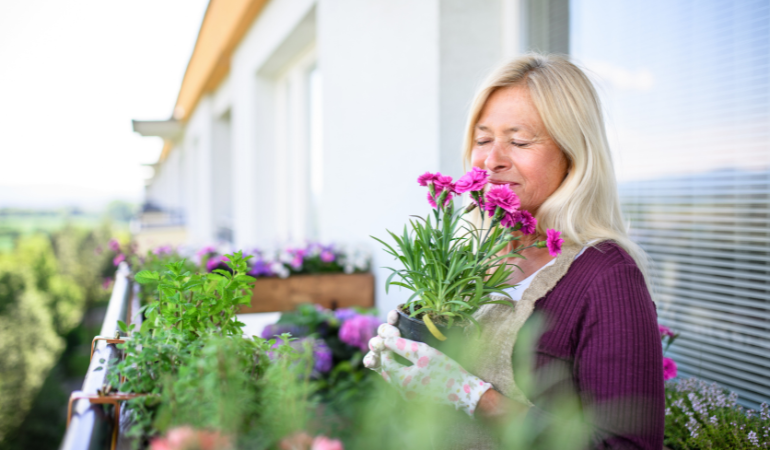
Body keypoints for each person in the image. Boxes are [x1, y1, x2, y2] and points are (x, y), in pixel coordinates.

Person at [363, 54, 665, 449]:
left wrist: (474, 397)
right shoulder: (470, 256)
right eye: (483, 139)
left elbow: (628, 445)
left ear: (573, 156)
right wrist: (410, 371)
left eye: (519, 141)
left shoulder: (606, 276)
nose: (491, 161)